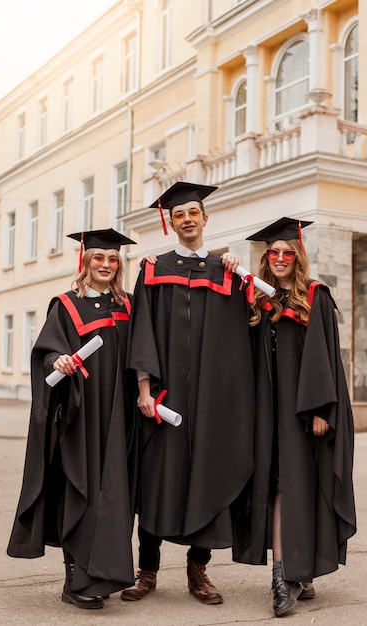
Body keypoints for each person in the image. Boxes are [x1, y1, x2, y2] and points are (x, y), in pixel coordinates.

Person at [122, 181, 255, 605]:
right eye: (179, 214)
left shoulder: (225, 272)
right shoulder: (153, 268)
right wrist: (144, 387)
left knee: (207, 474)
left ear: (205, 218)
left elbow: (243, 332)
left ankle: (199, 572)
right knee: (157, 478)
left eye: (193, 212)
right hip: (166, 399)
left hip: (212, 400)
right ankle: (147, 570)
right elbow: (142, 329)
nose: (187, 219)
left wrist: (238, 269)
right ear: (172, 222)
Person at [7, 228, 139, 610]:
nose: (106, 264)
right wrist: (58, 361)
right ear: (84, 261)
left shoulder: (128, 306)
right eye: (99, 258)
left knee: (114, 494)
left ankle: (105, 575)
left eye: (112, 259)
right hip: (82, 415)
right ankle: (75, 578)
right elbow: (47, 352)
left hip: (121, 414)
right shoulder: (65, 305)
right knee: (80, 488)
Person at [231, 217, 356, 617]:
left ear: (297, 257)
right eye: (274, 253)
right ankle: (294, 570)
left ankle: (287, 575)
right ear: (266, 259)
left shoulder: (315, 296)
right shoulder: (258, 301)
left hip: (304, 411)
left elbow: (323, 357)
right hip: (266, 409)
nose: (281, 258)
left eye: (288, 252)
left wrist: (321, 408)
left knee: (300, 485)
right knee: (275, 485)